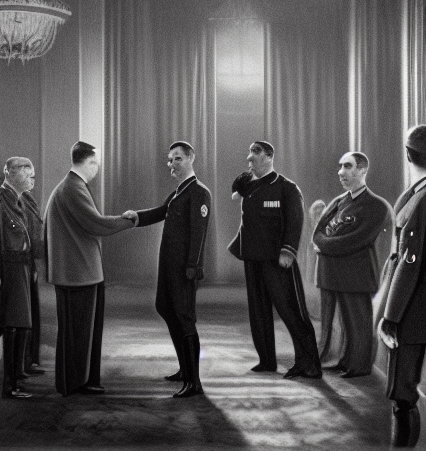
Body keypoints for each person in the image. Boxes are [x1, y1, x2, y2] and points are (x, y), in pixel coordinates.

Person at [44, 141, 135, 397]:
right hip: (79, 273)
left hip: (78, 272)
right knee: (79, 333)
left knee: (81, 332)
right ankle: (75, 383)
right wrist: (129, 220)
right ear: (90, 163)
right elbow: (95, 224)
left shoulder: (69, 186)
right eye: (96, 163)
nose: (97, 169)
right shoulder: (74, 188)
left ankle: (79, 381)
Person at [122, 141, 211, 398]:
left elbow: (199, 234)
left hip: (184, 269)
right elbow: (162, 212)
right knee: (165, 307)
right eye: (170, 160)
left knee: (185, 318)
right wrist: (136, 216)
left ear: (191, 159)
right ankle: (185, 369)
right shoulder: (178, 193)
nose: (172, 164)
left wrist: (193, 268)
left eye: (178, 159)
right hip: (169, 266)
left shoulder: (198, 192)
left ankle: (194, 382)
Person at [228, 141, 321, 379]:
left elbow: (295, 220)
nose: (249, 158)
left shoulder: (286, 188)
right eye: (249, 153)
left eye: (255, 153)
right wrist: (241, 184)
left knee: (291, 311)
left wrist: (288, 251)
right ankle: (267, 360)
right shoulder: (249, 187)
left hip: (277, 260)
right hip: (253, 257)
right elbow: (235, 191)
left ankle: (309, 364)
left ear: (269, 156)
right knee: (258, 312)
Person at [313, 152, 390, 378]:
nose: (341, 172)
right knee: (335, 325)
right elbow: (318, 232)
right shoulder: (338, 201)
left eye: (347, 167)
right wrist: (326, 243)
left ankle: (359, 366)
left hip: (356, 276)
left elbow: (359, 239)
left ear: (363, 171)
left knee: (358, 324)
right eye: (340, 167)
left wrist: (326, 246)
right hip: (330, 274)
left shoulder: (376, 205)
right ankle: (340, 359)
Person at [378, 125, 426, 447]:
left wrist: (391, 316)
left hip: (413, 308)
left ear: (408, 154)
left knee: (402, 392)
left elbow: (409, 262)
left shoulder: (421, 199)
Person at [0, 157, 35, 399]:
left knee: (21, 325)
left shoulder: (17, 201)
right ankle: (10, 385)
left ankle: (15, 378)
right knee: (13, 325)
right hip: (8, 270)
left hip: (20, 267)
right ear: (10, 173)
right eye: (27, 174)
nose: (32, 178)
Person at [21, 188, 46, 376]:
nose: (31, 181)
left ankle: (30, 360)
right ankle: (24, 362)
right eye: (28, 176)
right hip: (24, 263)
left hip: (30, 262)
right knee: (24, 315)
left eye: (33, 178)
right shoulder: (19, 200)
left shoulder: (29, 199)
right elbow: (25, 236)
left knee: (32, 314)